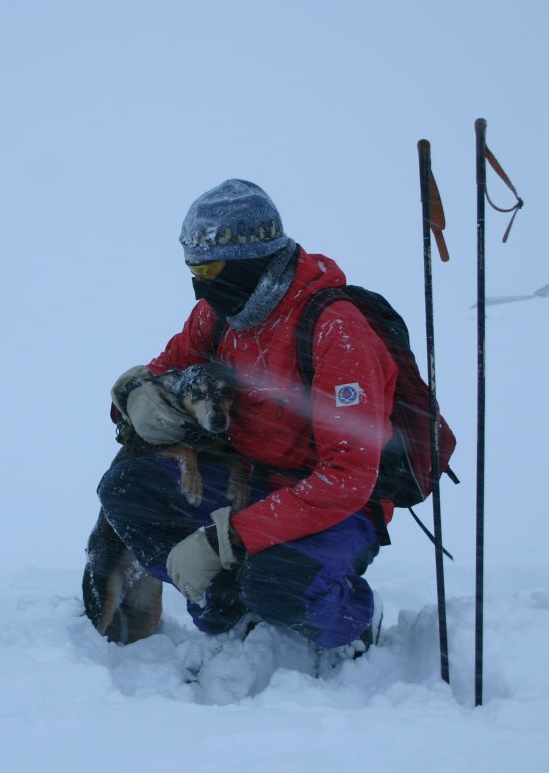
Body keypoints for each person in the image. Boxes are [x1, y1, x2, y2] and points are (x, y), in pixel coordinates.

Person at [97, 179, 397, 651]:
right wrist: (132, 393)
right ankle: (226, 605)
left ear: (250, 259)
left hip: (338, 505)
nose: (200, 282)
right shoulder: (218, 316)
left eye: (209, 267)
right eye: (192, 267)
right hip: (246, 483)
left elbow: (349, 477)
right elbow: (164, 372)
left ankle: (355, 619)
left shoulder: (335, 329)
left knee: (277, 583)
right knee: (127, 489)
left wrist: (225, 541)